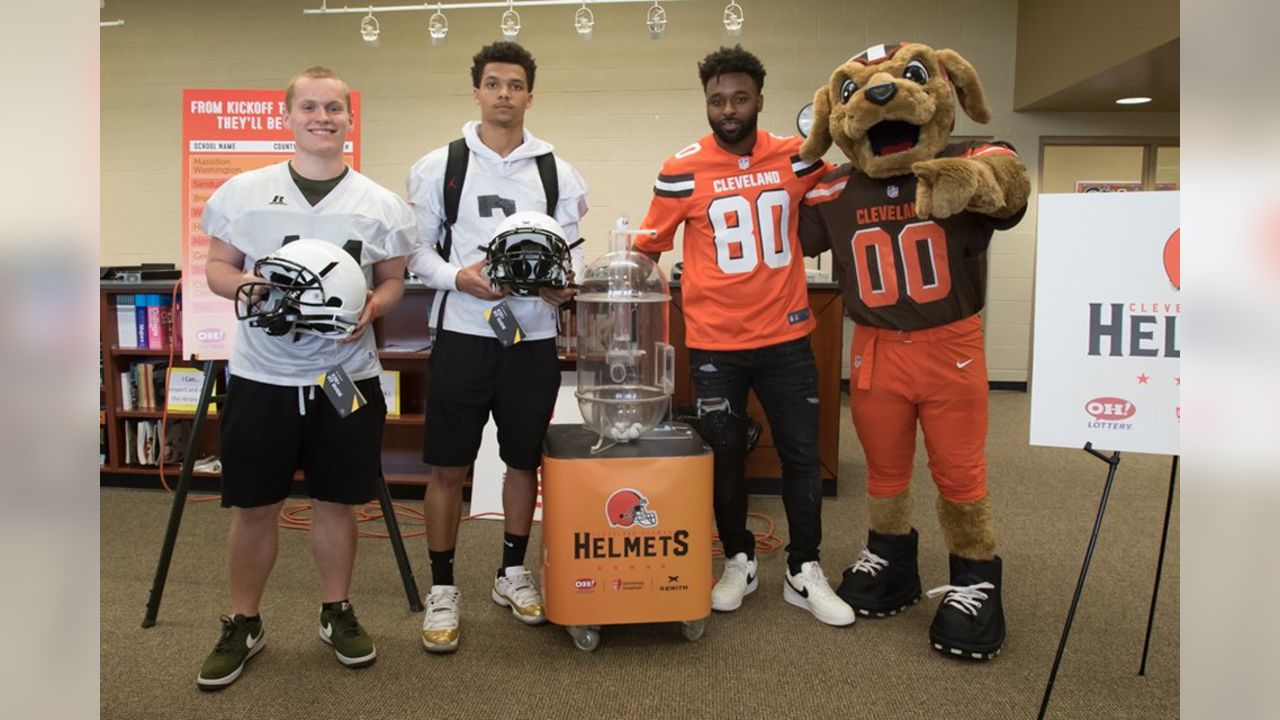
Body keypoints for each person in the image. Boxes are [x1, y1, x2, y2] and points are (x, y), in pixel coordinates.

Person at [196, 66, 416, 690]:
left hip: (345, 374)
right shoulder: (242, 192)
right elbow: (216, 265)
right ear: (287, 115)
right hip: (263, 374)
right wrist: (249, 285)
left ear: (351, 119)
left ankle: (336, 609)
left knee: (337, 502)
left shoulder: (380, 204)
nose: (323, 117)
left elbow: (394, 279)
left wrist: (374, 306)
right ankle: (243, 621)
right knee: (256, 505)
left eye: (335, 108)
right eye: (310, 106)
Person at [635, 45, 854, 627]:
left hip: (786, 339)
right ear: (705, 103)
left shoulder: (796, 156)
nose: (728, 109)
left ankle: (804, 569)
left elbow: (843, 197)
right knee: (725, 458)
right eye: (717, 100)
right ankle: (738, 559)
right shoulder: (681, 168)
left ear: (759, 98)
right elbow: (645, 249)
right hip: (715, 344)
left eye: (739, 98)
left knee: (802, 456)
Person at [406, 41, 588, 654]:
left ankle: (511, 572)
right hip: (463, 334)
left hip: (531, 337)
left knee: (522, 461)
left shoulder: (557, 172)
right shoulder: (440, 166)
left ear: (530, 95)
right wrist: (459, 277)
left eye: (515, 84)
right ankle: (442, 586)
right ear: (477, 91)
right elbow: (417, 254)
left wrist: (564, 287)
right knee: (447, 466)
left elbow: (574, 251)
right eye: (494, 83)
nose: (504, 94)